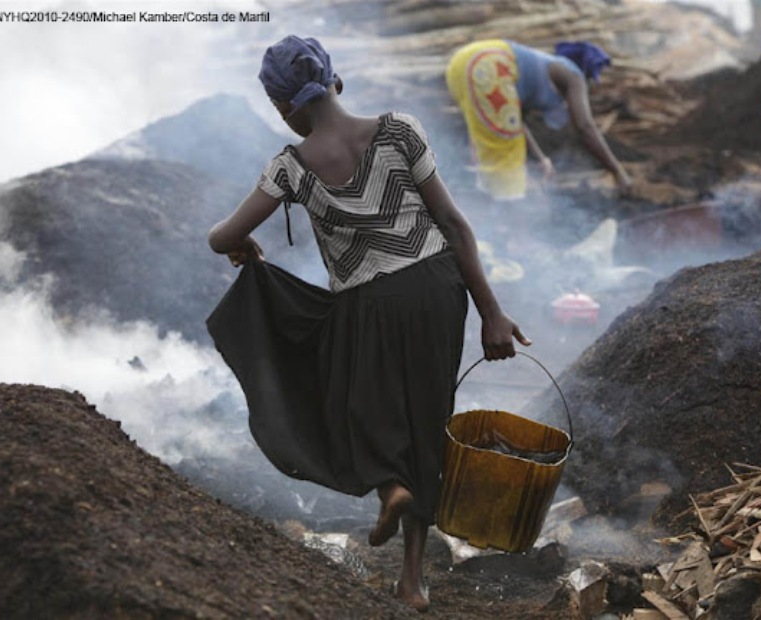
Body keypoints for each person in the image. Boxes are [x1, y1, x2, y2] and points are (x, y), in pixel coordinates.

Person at [206, 35, 530, 613]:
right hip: (436, 290)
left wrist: (246, 248)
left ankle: (389, 485)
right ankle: (413, 580)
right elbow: (453, 225)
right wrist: (492, 313)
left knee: (351, 401)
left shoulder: (290, 166)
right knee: (428, 418)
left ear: (282, 107)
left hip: (366, 303)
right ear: (337, 81)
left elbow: (221, 237)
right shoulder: (400, 130)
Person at [445, 39, 632, 201]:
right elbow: (585, 127)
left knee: (492, 150)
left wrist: (540, 159)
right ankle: (516, 235)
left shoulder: (542, 69)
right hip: (489, 64)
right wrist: (617, 171)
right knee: (507, 161)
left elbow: (515, 124)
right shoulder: (573, 75)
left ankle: (486, 227)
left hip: (461, 63)